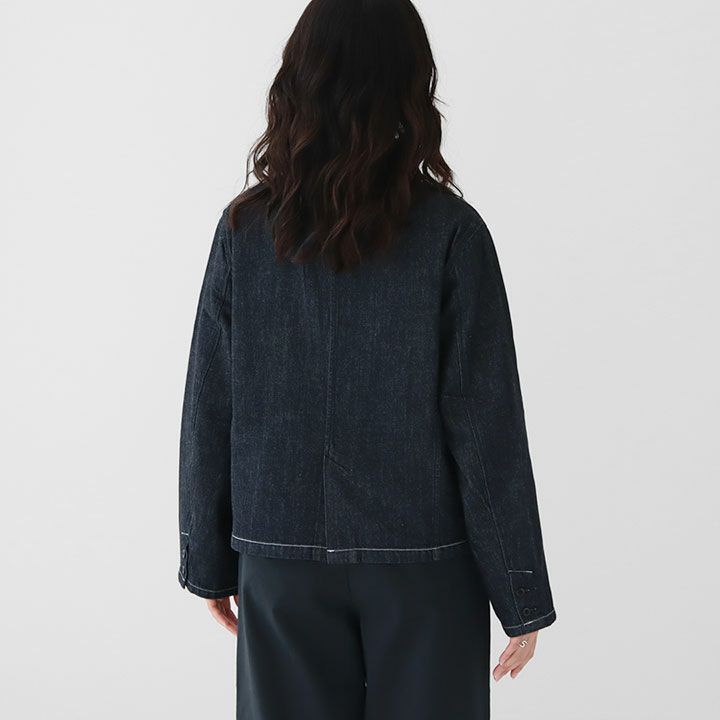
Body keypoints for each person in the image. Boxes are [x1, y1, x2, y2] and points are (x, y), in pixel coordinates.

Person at [177, 0, 556, 717]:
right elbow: (485, 428)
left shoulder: (244, 231)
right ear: (411, 85)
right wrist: (520, 591)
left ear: (298, 80)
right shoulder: (452, 233)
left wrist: (210, 562)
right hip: (424, 562)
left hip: (278, 556)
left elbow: (210, 407)